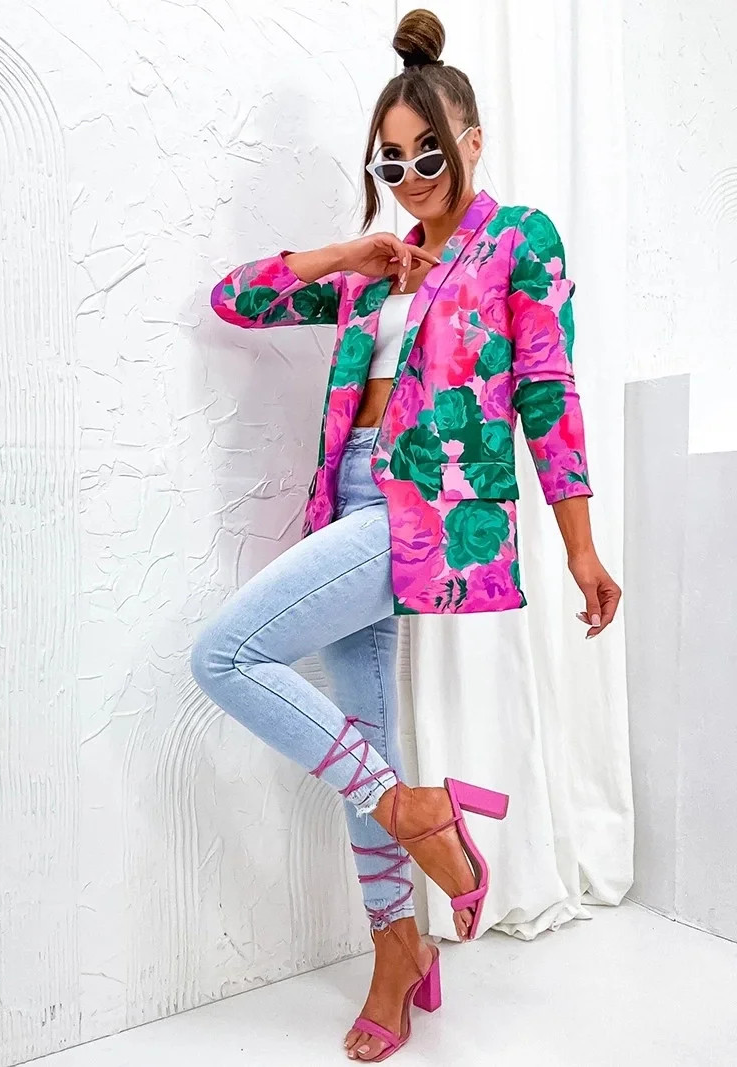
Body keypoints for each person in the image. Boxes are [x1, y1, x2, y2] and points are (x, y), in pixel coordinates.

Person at [193, 7, 622, 1062]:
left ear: (471, 141)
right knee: (362, 737)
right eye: (390, 161)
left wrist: (578, 543)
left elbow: (548, 391)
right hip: (347, 499)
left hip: (424, 512)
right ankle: (399, 945)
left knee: (225, 655)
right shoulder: (378, 263)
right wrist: (351, 247)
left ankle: (417, 811)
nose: (413, 175)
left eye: (430, 152)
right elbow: (234, 300)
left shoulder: (517, 241)